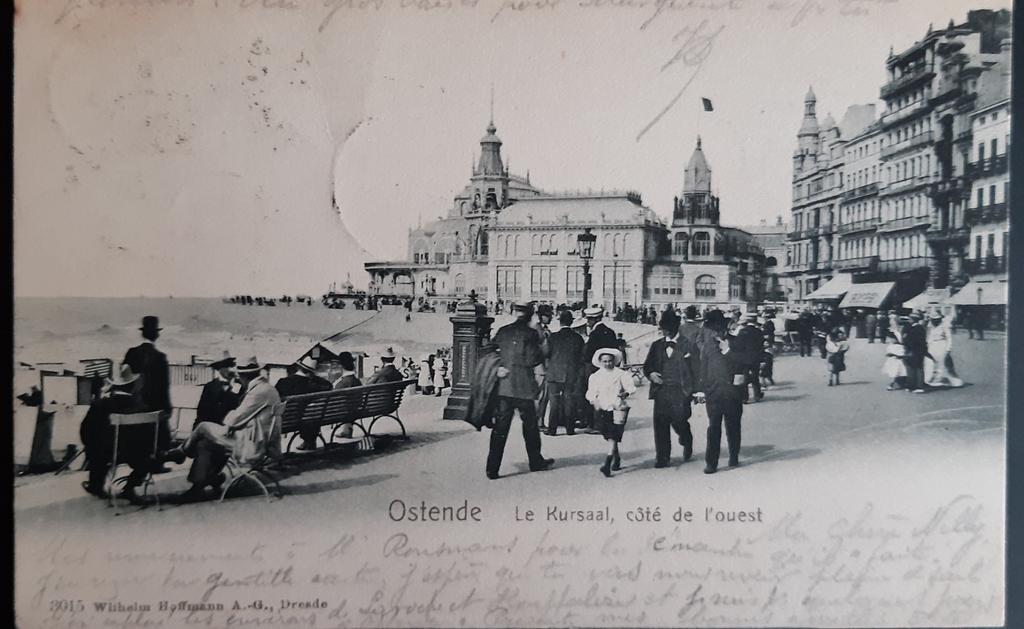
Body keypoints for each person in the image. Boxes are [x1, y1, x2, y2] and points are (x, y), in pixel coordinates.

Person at [162, 356, 281, 503]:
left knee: (203, 427)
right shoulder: (268, 388)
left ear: (244, 376)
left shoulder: (256, 392)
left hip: (251, 447)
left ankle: (182, 455)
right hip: (259, 441)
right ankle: (206, 480)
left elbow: (231, 420)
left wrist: (233, 420)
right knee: (204, 443)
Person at [486, 302, 553, 479]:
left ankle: (492, 469)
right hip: (524, 387)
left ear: (514, 313)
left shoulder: (503, 330)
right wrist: (542, 345)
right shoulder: (531, 334)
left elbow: (489, 350)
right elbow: (533, 359)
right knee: (530, 427)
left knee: (500, 429)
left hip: (505, 386)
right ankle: (535, 461)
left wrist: (499, 367)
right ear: (530, 316)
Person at [78, 365, 154, 502]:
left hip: (105, 454)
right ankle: (129, 488)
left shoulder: (99, 405)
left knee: (95, 446)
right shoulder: (142, 407)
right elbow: (150, 436)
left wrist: (91, 448)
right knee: (148, 453)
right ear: (134, 386)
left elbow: (85, 431)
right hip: (135, 456)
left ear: (114, 386)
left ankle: (96, 486)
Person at [642, 309, 697, 467]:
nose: (664, 331)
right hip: (661, 391)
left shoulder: (688, 345)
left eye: (667, 328)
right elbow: (647, 366)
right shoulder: (656, 345)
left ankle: (686, 438)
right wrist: (651, 374)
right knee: (660, 424)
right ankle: (662, 457)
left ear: (675, 328)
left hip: (681, 391)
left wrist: (696, 391)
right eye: (662, 328)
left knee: (679, 421)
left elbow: (696, 369)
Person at [695, 310, 746, 474]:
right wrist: (701, 391)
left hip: (732, 393)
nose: (716, 334)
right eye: (713, 331)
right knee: (713, 428)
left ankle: (733, 455)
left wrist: (728, 351)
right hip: (713, 393)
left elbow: (744, 364)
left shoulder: (737, 343)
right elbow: (703, 368)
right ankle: (711, 463)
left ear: (725, 329)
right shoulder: (709, 347)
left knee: (733, 426)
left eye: (718, 330)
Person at [122, 315, 173, 455]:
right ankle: (158, 460)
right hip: (153, 409)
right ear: (156, 335)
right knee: (161, 438)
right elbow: (164, 388)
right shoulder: (160, 357)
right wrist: (168, 410)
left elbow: (124, 380)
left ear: (142, 333)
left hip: (131, 408)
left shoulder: (131, 353)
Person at [586, 348, 636, 477]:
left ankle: (607, 463)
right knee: (608, 435)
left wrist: (626, 393)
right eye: (605, 361)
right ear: (600, 362)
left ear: (615, 361)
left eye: (610, 361)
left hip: (617, 407)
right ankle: (617, 457)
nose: (608, 364)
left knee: (613, 434)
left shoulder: (621, 374)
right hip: (602, 407)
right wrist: (594, 401)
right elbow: (591, 393)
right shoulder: (595, 376)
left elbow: (630, 387)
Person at [276, 356, 332, 451]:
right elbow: (329, 385)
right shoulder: (315, 385)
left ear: (298, 368)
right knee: (311, 413)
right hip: (310, 419)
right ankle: (309, 441)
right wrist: (314, 377)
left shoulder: (284, 382)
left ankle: (308, 441)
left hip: (288, 420)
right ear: (311, 373)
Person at [546, 309, 585, 436]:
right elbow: (582, 357)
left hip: (554, 374)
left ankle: (552, 430)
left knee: (554, 402)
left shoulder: (553, 337)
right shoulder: (578, 338)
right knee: (569, 400)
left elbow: (546, 354)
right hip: (571, 373)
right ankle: (570, 429)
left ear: (560, 322)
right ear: (572, 322)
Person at [581, 306, 617, 433]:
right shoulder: (610, 332)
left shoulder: (594, 334)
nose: (588, 323)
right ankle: (606, 423)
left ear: (594, 320)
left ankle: (596, 425)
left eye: (589, 320)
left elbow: (587, 354)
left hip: (594, 369)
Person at [194, 351, 241, 429]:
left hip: (232, 430)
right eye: (225, 365)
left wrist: (234, 390)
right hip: (212, 429)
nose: (229, 369)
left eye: (230, 365)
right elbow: (201, 413)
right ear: (218, 368)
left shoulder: (240, 385)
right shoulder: (210, 387)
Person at [333, 352, 363, 439]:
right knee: (349, 404)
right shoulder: (357, 381)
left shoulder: (342, 383)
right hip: (356, 409)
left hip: (341, 411)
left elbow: (334, 400)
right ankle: (347, 430)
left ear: (341, 366)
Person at [735, 314, 764, 403]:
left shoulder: (742, 332)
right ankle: (757, 395)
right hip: (756, 357)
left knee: (745, 377)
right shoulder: (758, 332)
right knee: (755, 376)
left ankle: (744, 398)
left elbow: (738, 345)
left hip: (744, 358)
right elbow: (761, 345)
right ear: (755, 321)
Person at [902, 313, 929, 393]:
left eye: (910, 319)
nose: (909, 320)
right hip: (912, 350)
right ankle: (911, 385)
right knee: (911, 368)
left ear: (913, 319)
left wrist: (909, 347)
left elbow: (915, 341)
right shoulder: (912, 327)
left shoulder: (918, 328)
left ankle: (919, 386)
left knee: (918, 368)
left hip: (916, 351)